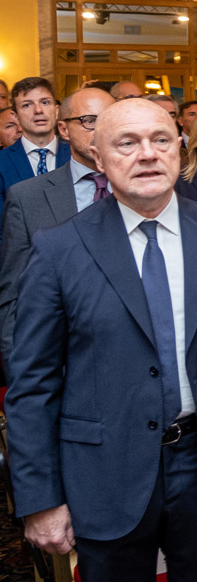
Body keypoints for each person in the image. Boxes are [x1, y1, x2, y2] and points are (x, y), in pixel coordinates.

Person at [7, 98, 197, 582]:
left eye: (160, 139)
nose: (147, 154)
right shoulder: (59, 248)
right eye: (127, 143)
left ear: (179, 148)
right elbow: (33, 385)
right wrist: (40, 498)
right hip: (103, 472)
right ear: (97, 156)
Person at [0, 87, 114, 375]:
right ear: (63, 129)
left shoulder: (148, 189)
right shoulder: (28, 197)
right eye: (89, 121)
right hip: (63, 364)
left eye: (109, 120)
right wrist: (22, 376)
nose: (101, 130)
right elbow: (15, 297)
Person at [0, 77, 72, 238]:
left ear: (57, 110)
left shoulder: (76, 155)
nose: (38, 110)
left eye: (45, 102)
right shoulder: (2, 163)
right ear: (16, 116)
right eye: (27, 105)